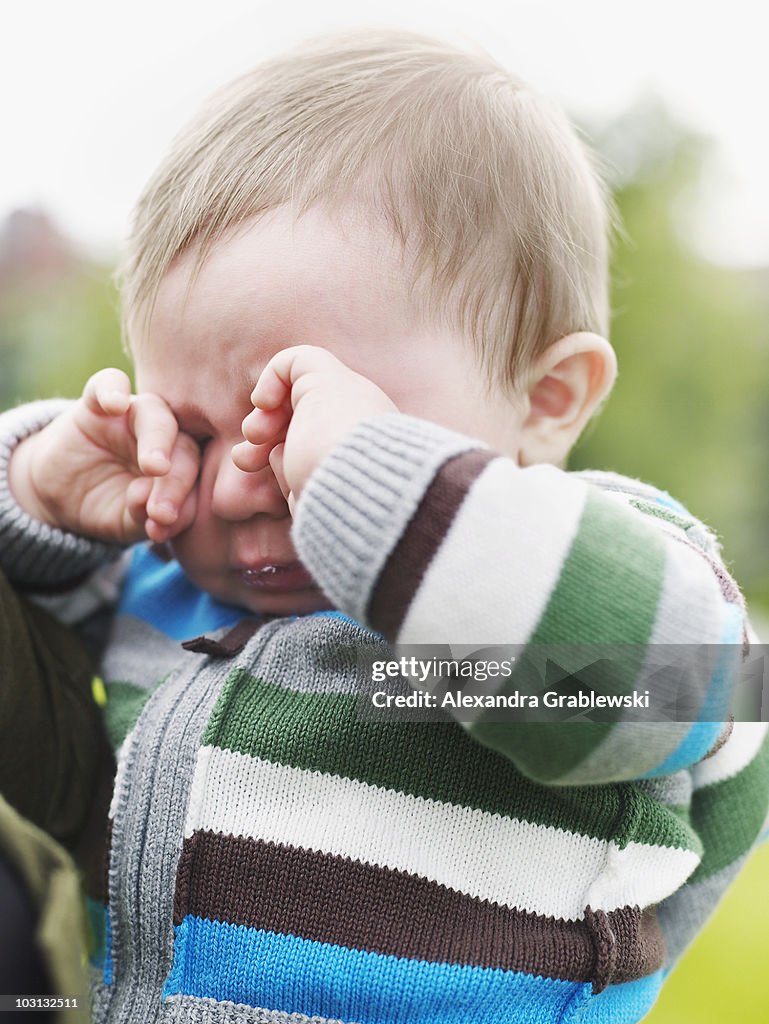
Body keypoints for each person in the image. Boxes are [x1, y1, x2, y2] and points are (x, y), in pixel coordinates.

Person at [0, 28, 767, 1024]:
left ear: (545, 398)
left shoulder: (602, 566)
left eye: (328, 420)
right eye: (193, 428)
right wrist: (45, 489)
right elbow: (33, 605)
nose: (239, 487)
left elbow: (692, 692)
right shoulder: (172, 573)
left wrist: (379, 495)